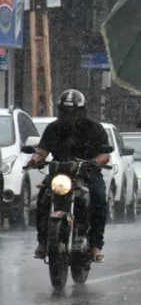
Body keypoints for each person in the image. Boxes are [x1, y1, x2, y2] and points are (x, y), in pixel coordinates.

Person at [25, 90, 112, 262]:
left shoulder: (94, 128)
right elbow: (42, 150)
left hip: (87, 173)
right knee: (42, 198)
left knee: (99, 198)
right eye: (65, 112)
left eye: (73, 112)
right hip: (59, 172)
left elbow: (105, 154)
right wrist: (34, 159)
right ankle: (43, 242)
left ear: (82, 111)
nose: (69, 116)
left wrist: (94, 162)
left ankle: (95, 245)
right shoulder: (53, 128)